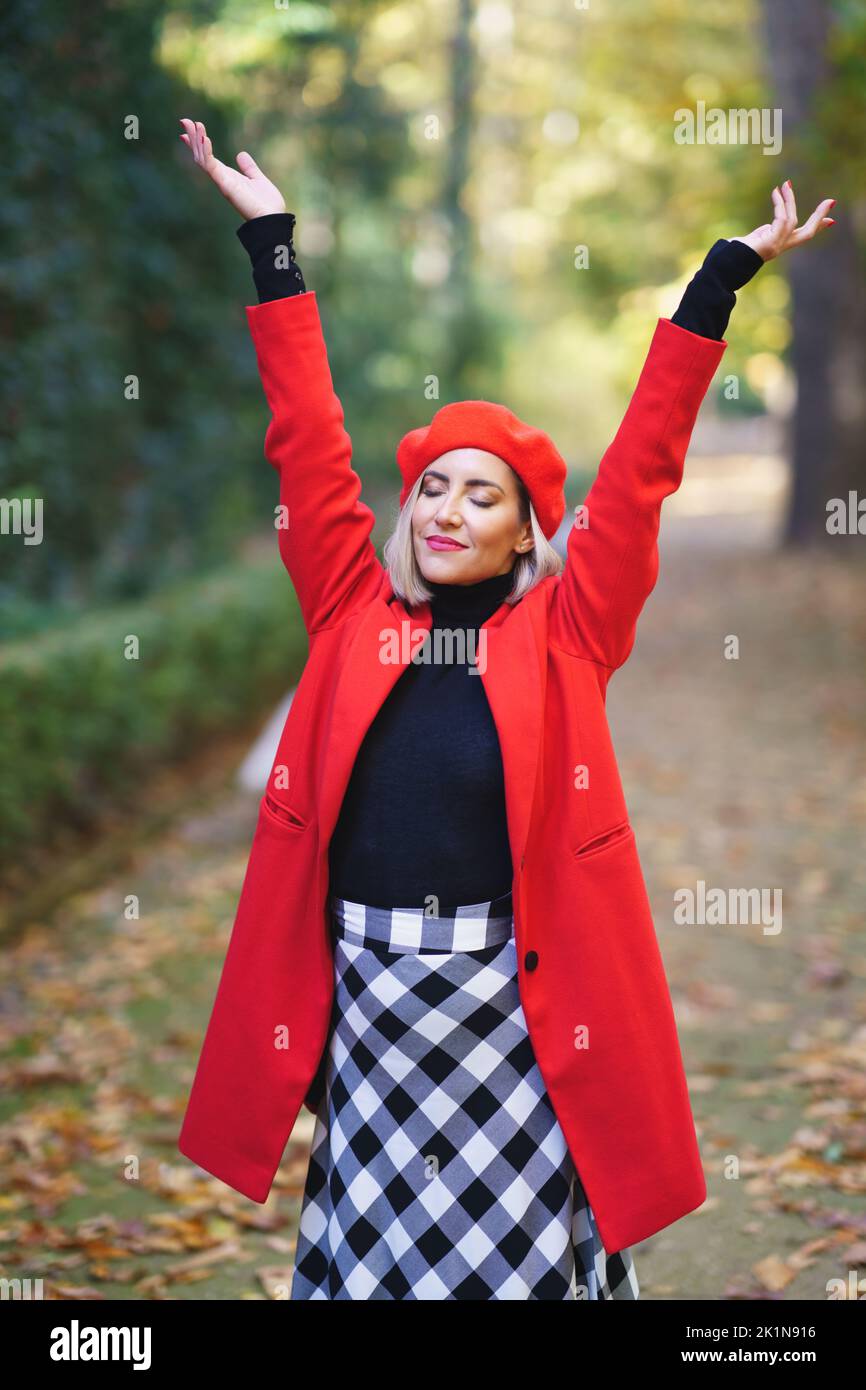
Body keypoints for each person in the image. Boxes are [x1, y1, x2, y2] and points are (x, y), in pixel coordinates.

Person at [178, 118, 836, 1300]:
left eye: (479, 495)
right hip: (373, 1008)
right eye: (430, 486)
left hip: (508, 1013)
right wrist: (271, 244)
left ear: (525, 528)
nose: (443, 511)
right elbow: (307, 444)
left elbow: (638, 471)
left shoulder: (568, 629)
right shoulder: (349, 606)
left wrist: (716, 282)